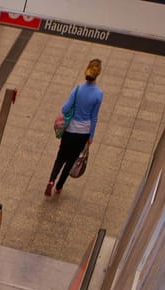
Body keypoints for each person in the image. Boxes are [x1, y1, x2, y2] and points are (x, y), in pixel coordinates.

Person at [47, 60, 104, 197]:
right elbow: (94, 117)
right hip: (83, 134)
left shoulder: (77, 89)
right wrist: (90, 137)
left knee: (60, 157)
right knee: (71, 160)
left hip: (70, 130)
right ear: (98, 74)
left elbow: (65, 108)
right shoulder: (99, 94)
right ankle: (59, 187)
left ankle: (51, 180)